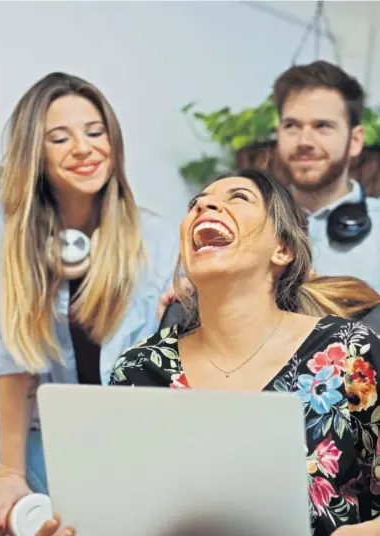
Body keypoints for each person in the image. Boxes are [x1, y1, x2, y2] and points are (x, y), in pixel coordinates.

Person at [36, 168, 379, 536]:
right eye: (195, 205)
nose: (205, 205)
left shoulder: (349, 352)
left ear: (283, 249)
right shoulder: (139, 369)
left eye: (238, 197)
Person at [0, 72, 177, 533]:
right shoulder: (1, 224)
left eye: (96, 132)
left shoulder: (153, 234)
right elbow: (12, 351)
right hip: (36, 442)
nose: (85, 148)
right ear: (36, 151)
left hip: (129, 443)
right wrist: (10, 472)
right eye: (60, 137)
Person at [273, 60, 380, 293]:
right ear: (278, 134)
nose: (304, 142)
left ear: (355, 141)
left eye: (322, 126)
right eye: (292, 125)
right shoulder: (248, 222)